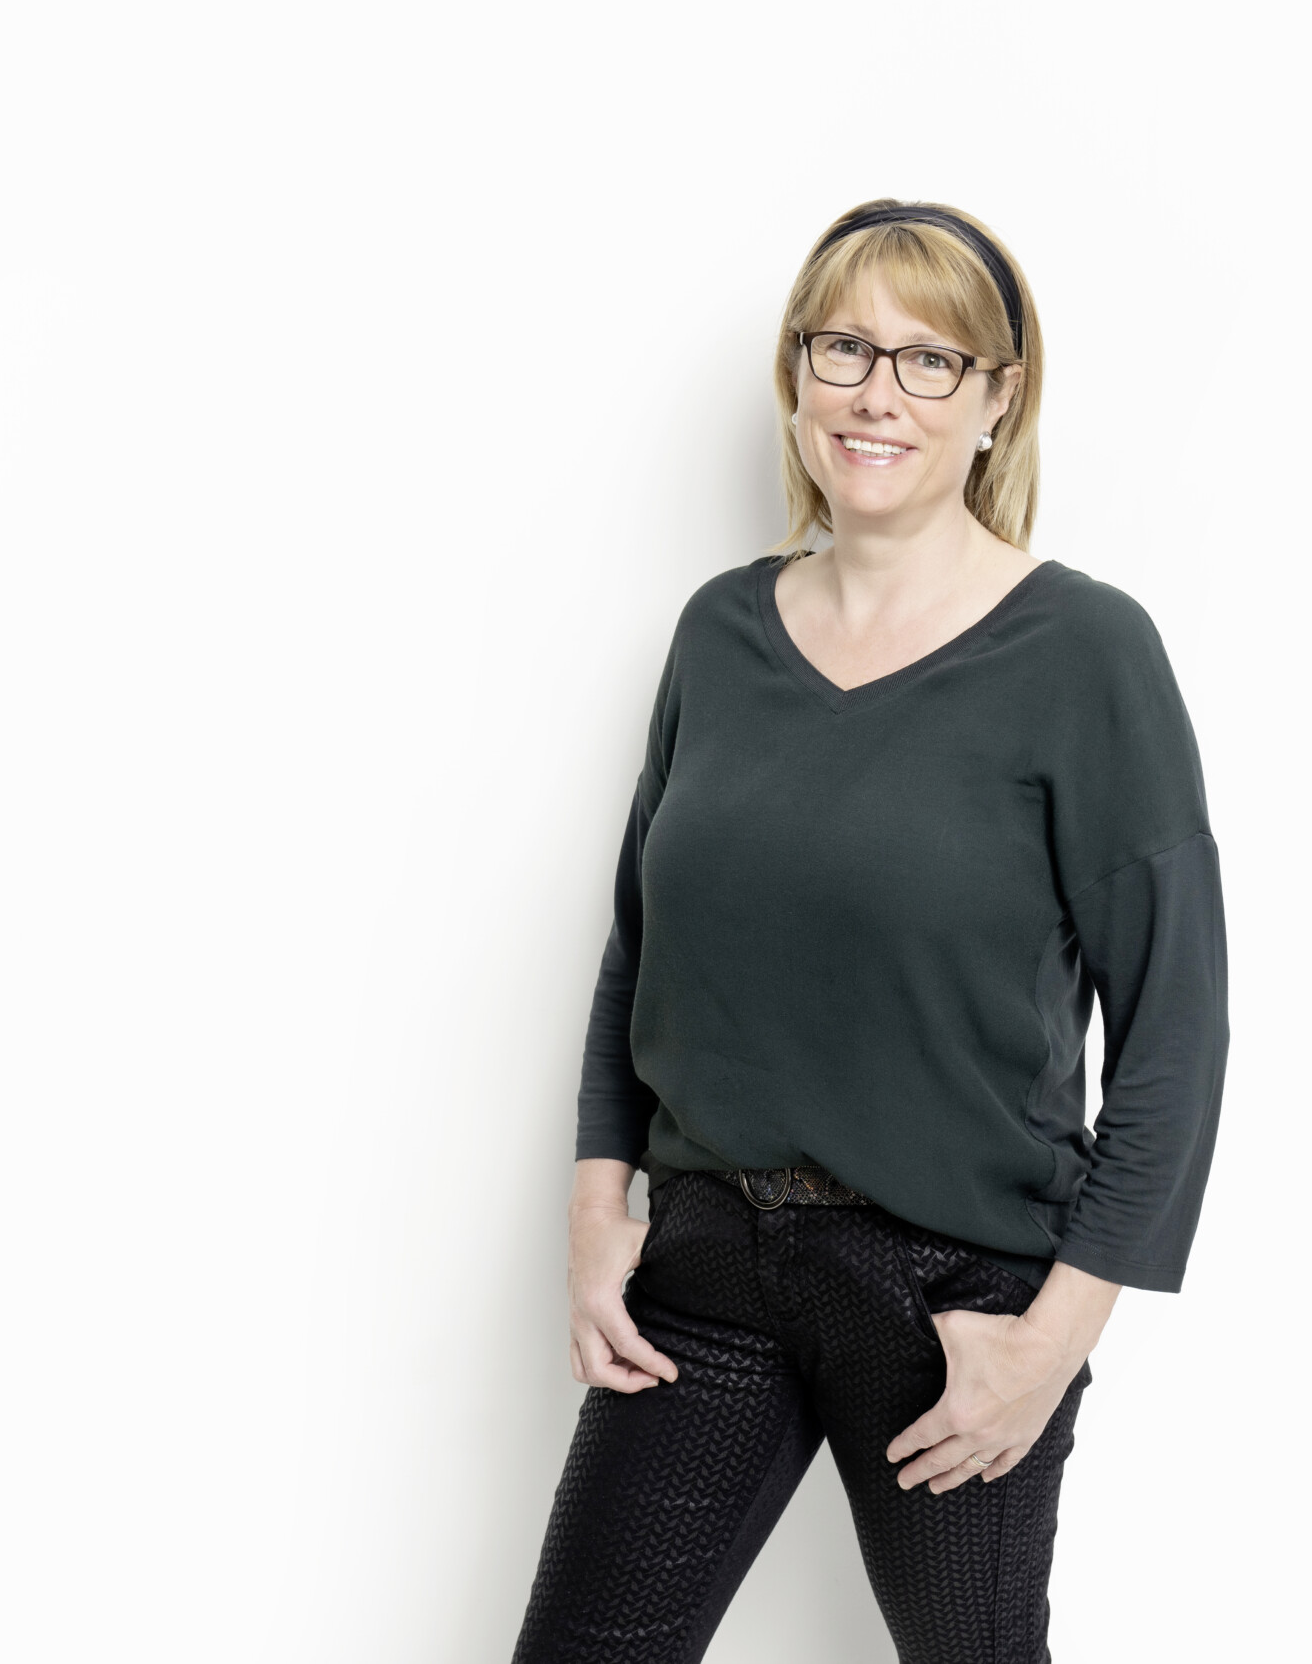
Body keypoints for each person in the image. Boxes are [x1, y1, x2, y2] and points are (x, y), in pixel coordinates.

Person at [511, 199, 1229, 1663]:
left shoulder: (1087, 652)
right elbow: (642, 950)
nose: (876, 393)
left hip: (951, 1298)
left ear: (998, 399)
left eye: (929, 360)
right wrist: (596, 1217)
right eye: (843, 348)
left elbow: (1175, 1030)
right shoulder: (720, 633)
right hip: (703, 1273)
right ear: (796, 375)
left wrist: (1052, 1343)